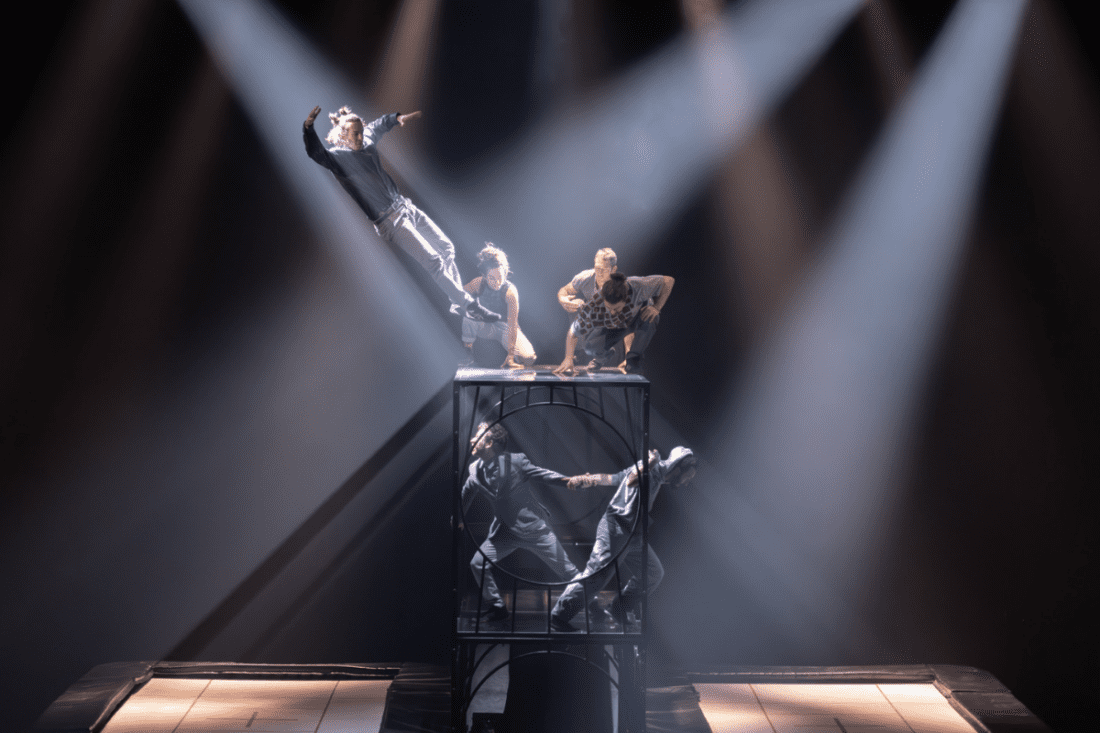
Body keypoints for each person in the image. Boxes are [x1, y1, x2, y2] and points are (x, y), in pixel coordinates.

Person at [303, 105, 498, 322]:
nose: (359, 137)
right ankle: (469, 306)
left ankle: (458, 301)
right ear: (344, 136)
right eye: (354, 134)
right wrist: (308, 128)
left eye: (360, 132)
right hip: (390, 221)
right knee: (434, 262)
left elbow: (378, 126)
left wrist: (395, 118)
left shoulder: (367, 139)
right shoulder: (338, 158)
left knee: (446, 248)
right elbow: (316, 153)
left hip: (406, 207)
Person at [549, 447, 696, 632]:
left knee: (653, 572)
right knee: (597, 574)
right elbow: (631, 481)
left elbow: (616, 478)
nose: (687, 482)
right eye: (688, 477)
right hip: (616, 527)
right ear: (678, 467)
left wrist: (592, 479)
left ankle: (618, 608)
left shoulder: (659, 476)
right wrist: (649, 465)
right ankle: (559, 616)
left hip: (633, 534)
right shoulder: (651, 468)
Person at [461, 422, 591, 623]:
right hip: (504, 531)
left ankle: (595, 606)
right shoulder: (475, 470)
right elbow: (467, 492)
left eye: (477, 437)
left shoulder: (516, 461)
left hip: (534, 530)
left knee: (568, 572)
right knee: (478, 563)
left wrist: (572, 481)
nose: (471, 440)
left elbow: (544, 475)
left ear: (489, 443)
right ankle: (498, 608)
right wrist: (458, 516)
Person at [552, 271, 674, 375]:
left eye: (616, 309)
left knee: (652, 317)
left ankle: (633, 361)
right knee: (589, 348)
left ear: (626, 298)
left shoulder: (637, 286)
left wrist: (657, 307)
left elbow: (668, 281)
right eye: (609, 308)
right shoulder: (593, 306)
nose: (612, 312)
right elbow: (573, 332)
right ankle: (602, 357)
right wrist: (568, 358)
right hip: (614, 328)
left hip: (636, 320)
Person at [462, 244, 537, 369]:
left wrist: (511, 355)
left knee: (529, 358)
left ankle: (516, 356)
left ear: (505, 273)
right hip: (484, 325)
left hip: (504, 327)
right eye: (492, 278)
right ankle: (468, 353)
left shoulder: (510, 292)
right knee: (468, 318)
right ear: (484, 276)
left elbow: (512, 324)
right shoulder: (478, 283)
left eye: (500, 277)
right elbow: (458, 295)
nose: (497, 282)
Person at [557, 248, 619, 313]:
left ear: (613, 270)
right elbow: (565, 290)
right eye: (597, 268)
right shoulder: (585, 277)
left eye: (604, 270)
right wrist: (563, 299)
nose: (599, 273)